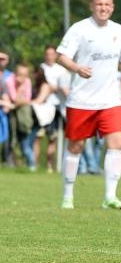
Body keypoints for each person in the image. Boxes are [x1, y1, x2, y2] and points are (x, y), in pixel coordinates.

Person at [56, 0, 121, 210]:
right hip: (81, 100)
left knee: (117, 143)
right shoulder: (79, 29)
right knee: (75, 147)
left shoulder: (118, 30)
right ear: (92, 6)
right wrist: (77, 68)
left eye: (107, 4)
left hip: (110, 100)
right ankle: (68, 196)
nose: (103, 8)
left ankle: (110, 196)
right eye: (99, 4)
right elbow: (61, 56)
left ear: (113, 7)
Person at [36, 44, 70, 173]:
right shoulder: (41, 68)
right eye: (47, 54)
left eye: (52, 54)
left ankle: (51, 166)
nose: (49, 57)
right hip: (43, 106)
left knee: (53, 137)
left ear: (55, 55)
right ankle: (36, 165)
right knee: (38, 136)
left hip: (58, 106)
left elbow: (64, 87)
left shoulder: (61, 70)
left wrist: (53, 87)